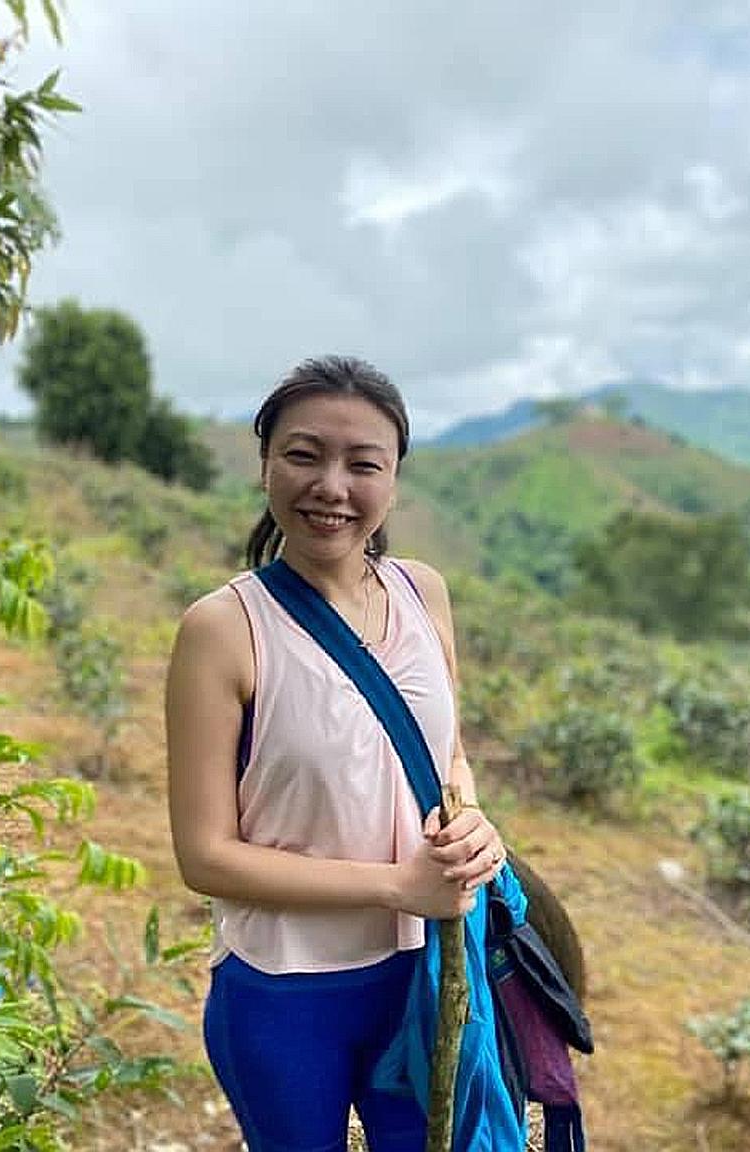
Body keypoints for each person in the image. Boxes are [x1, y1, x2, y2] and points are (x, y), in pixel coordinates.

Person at [165, 355, 511, 1152]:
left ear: (393, 480)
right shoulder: (223, 629)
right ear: (265, 465)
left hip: (426, 969)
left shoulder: (423, 593)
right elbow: (205, 856)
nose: (331, 486)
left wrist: (472, 824)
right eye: (304, 455)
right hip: (286, 989)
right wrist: (398, 886)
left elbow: (449, 755)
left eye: (363, 464)